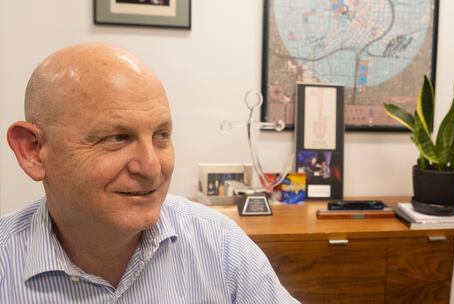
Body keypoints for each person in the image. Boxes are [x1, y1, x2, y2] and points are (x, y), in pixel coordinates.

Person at [0, 43, 299, 303]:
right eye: (117, 138)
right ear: (34, 151)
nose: (152, 167)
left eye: (161, 135)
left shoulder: (218, 245)